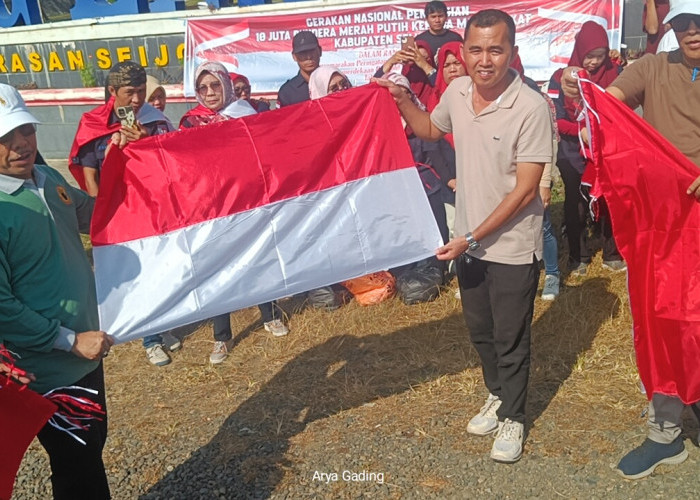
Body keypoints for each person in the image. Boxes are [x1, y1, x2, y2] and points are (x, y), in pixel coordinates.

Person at [376, 9, 552, 463]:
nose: (484, 59)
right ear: (463, 51)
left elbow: (527, 188)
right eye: (476, 49)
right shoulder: (455, 90)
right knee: (481, 330)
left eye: (496, 49)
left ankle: (514, 415)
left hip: (510, 245)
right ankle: (496, 394)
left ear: (512, 52)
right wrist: (401, 98)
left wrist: (471, 236)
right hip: (469, 244)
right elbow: (431, 129)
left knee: (512, 337)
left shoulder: (530, 106)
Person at [562, 0, 700, 480]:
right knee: (662, 315)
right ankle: (665, 431)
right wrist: (582, 95)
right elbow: (611, 104)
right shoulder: (653, 67)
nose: (694, 31)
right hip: (663, 220)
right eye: (686, 23)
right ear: (674, 26)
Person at [0, 83, 114, 499]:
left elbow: (89, 213)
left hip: (87, 351)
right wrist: (68, 340)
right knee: (77, 467)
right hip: (49, 368)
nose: (20, 145)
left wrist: (126, 160)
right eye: (5, 138)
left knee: (89, 450)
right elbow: (1, 307)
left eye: (24, 131)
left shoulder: (45, 176)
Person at [182, 62, 289, 364]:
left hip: (248, 199)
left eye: (215, 85)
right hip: (212, 206)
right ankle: (221, 336)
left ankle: (270, 314)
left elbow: (264, 153)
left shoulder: (247, 114)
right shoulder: (189, 123)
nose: (210, 93)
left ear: (226, 85)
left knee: (259, 255)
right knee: (218, 266)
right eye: (203, 88)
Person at [69, 62, 175, 366]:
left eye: (142, 91)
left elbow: (167, 164)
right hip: (115, 214)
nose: (137, 99)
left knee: (159, 269)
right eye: (130, 92)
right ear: (113, 92)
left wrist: (145, 145)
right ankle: (150, 340)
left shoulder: (153, 123)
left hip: (150, 209)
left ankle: (160, 326)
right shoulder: (92, 124)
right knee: (135, 277)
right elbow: (90, 175)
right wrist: (98, 215)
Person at [548, 21, 624, 276]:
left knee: (609, 199)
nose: (592, 62)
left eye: (599, 56)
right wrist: (579, 132)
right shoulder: (560, 77)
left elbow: (622, 110)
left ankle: (612, 252)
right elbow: (555, 117)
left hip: (606, 150)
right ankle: (578, 255)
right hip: (572, 152)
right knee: (575, 202)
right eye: (589, 55)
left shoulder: (615, 72)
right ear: (580, 50)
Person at [373, 40, 436, 107]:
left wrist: (424, 65)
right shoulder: (400, 86)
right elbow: (373, 86)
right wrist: (390, 62)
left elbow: (441, 85)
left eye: (422, 59)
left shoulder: (435, 89)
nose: (418, 62)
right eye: (413, 58)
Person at [277, 31, 322, 107]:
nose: (308, 57)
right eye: (303, 53)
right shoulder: (287, 92)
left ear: (320, 51)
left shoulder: (337, 82)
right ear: (294, 57)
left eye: (312, 51)